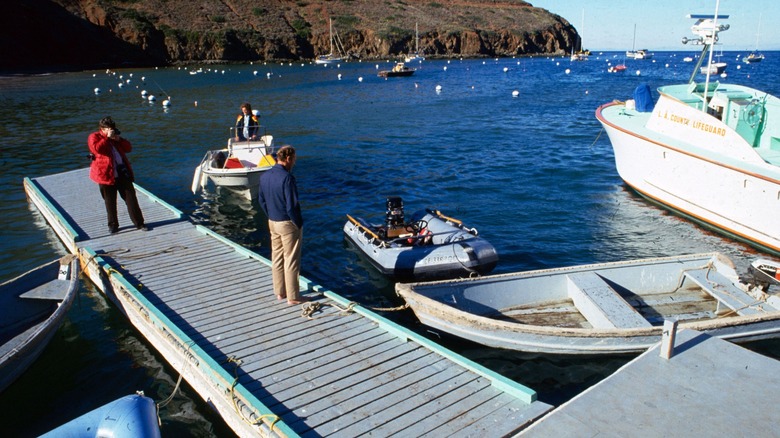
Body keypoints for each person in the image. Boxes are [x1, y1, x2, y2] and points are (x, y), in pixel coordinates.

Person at [257, 145, 307, 305]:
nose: (294, 163)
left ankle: (280, 292)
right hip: (287, 223)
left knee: (277, 258)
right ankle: (293, 296)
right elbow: (292, 206)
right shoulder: (287, 178)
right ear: (288, 159)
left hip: (272, 221)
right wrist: (298, 223)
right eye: (294, 159)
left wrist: (271, 215)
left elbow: (261, 200)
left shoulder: (264, 176)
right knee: (291, 259)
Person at [88, 116, 147, 234]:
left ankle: (139, 223)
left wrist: (119, 140)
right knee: (110, 201)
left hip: (121, 173)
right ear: (102, 129)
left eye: (112, 128)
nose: (110, 131)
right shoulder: (94, 137)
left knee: (131, 199)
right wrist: (106, 138)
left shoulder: (115, 138)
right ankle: (113, 226)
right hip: (105, 175)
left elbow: (128, 148)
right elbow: (96, 149)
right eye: (108, 129)